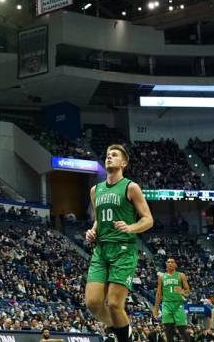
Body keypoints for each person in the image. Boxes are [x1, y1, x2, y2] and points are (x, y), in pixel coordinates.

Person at [84, 144, 154, 342]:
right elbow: (99, 219)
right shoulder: (95, 190)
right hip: (101, 249)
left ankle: (124, 338)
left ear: (124, 163)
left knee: (115, 304)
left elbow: (148, 219)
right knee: (93, 303)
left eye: (114, 155)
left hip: (123, 248)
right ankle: (122, 331)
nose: (109, 157)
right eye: (107, 155)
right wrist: (93, 231)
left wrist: (131, 228)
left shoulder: (131, 187)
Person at [153, 257, 191, 342]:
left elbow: (188, 291)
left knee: (182, 329)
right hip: (166, 304)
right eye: (168, 262)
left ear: (175, 265)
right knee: (168, 329)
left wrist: (181, 291)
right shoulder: (162, 277)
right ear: (166, 264)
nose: (170, 263)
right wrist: (155, 308)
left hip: (178, 304)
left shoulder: (181, 275)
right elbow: (159, 293)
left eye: (172, 262)